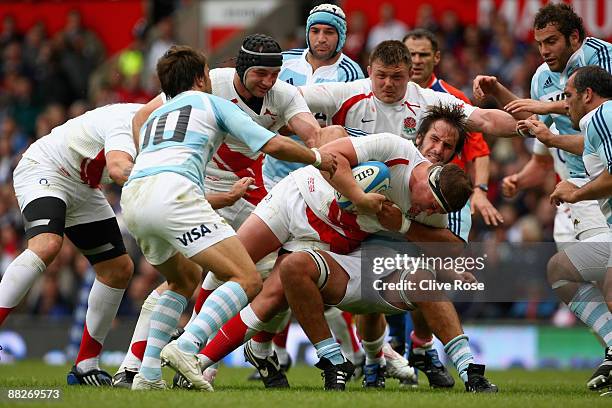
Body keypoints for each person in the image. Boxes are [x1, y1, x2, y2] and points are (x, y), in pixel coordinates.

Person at [112, 33, 326, 387]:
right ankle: (191, 348)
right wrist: (319, 159)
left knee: (182, 280)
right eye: (261, 73)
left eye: (275, 74)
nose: (269, 81)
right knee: (247, 277)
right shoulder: (213, 98)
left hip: (138, 196)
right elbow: (272, 143)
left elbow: (141, 121)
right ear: (202, 78)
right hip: (186, 194)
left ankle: (143, 373)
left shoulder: (161, 113)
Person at [0, 103, 140, 386]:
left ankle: (86, 365)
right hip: (48, 166)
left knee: (118, 268)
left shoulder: (166, 121)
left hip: (84, 185)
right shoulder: (129, 120)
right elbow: (117, 169)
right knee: (48, 244)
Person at [264, 3, 368, 375]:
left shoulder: (352, 72)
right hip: (273, 176)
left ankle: (358, 352)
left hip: (320, 181)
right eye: (315, 31)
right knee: (273, 269)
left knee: (310, 269)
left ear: (341, 35)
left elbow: (351, 128)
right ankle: (276, 351)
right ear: (306, 32)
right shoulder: (285, 62)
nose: (321, 38)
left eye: (329, 32)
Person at [299, 40, 519, 141]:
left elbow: (485, 119)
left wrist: (528, 128)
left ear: (409, 73)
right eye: (381, 76)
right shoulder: (345, 93)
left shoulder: (428, 100)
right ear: (369, 71)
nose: (388, 83)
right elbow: (292, 96)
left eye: (396, 77)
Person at [545, 66, 612, 391]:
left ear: (588, 95)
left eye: (569, 96)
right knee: (561, 268)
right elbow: (584, 145)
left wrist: (577, 192)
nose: (564, 103)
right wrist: (546, 137)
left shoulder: (604, 116)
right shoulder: (598, 124)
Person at [403, 28, 502, 227]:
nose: (417, 60)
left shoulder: (453, 98)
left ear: (437, 57)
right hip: (404, 190)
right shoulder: (390, 93)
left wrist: (480, 191)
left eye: (423, 54)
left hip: (444, 195)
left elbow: (478, 149)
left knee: (444, 253)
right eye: (411, 54)